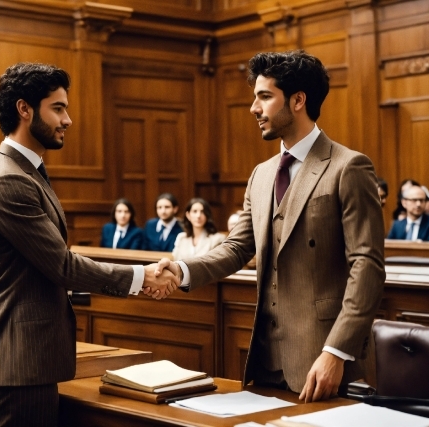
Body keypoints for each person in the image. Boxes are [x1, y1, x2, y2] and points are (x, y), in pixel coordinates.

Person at [155, 50, 385, 403]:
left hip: (322, 360)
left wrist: (337, 351)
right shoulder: (261, 175)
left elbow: (366, 266)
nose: (253, 108)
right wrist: (181, 271)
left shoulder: (349, 167)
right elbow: (235, 248)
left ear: (297, 100)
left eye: (264, 97)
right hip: (264, 360)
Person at [0, 62, 177, 426]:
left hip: (30, 361)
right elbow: (62, 266)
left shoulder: (25, 172)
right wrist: (142, 276)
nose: (67, 119)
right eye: (58, 108)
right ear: (25, 109)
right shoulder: (8, 181)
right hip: (20, 364)